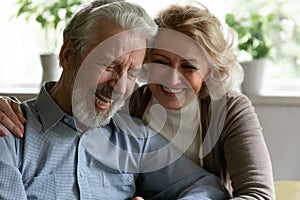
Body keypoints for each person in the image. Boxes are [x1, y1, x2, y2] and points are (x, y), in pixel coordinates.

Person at [0, 1, 275, 200]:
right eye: (108, 65)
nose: (119, 86)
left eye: (131, 72)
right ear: (67, 55)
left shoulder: (135, 135)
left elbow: (211, 188)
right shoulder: (9, 135)